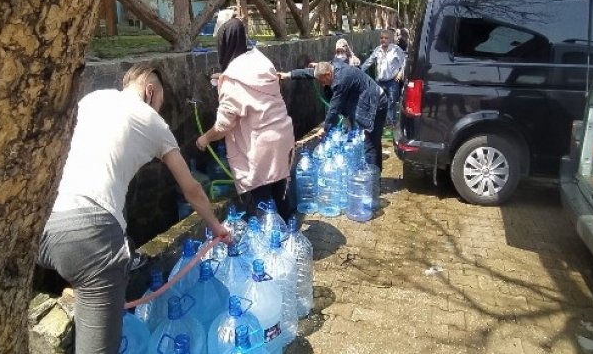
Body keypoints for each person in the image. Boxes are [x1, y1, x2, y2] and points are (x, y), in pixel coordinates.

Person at [37, 65, 231, 354]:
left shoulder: (93, 99)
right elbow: (191, 189)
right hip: (90, 238)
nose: (160, 110)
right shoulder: (152, 121)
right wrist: (217, 228)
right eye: (161, 103)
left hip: (41, 224)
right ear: (150, 92)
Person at [197, 19, 296, 221]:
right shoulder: (260, 60)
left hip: (261, 148)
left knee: (261, 203)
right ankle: (289, 236)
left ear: (223, 44)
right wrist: (224, 80)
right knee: (280, 193)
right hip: (283, 136)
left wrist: (205, 139)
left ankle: (268, 245)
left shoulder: (232, 79)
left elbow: (224, 125)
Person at [280, 60, 388, 170]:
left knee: (369, 142)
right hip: (365, 99)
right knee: (365, 139)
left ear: (328, 74)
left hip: (375, 103)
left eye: (323, 81)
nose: (323, 84)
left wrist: (325, 128)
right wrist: (288, 75)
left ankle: (372, 180)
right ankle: (371, 173)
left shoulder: (341, 80)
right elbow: (309, 73)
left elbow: (334, 107)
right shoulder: (331, 67)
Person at [360, 29, 405, 128]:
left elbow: (405, 60)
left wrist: (401, 72)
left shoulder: (396, 49)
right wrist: (359, 71)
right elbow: (369, 62)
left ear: (390, 39)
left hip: (392, 81)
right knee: (378, 102)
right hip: (380, 81)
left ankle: (391, 123)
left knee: (392, 102)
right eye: (381, 38)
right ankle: (380, 122)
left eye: (386, 38)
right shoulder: (377, 50)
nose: (383, 40)